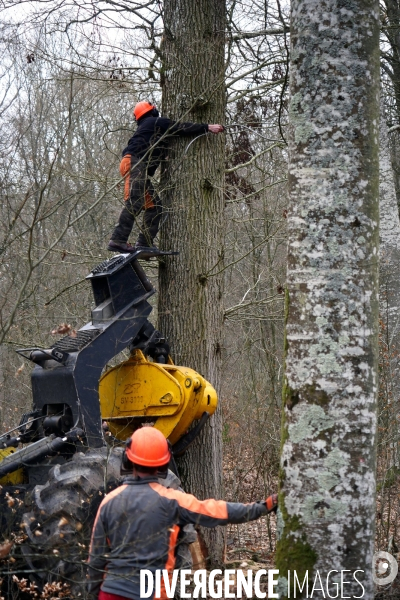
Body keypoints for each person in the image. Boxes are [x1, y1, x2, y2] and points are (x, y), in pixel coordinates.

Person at [88, 427, 278, 600]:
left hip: (111, 593)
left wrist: (92, 593)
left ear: (127, 459)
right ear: (164, 463)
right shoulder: (173, 501)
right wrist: (264, 506)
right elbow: (220, 511)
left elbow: (96, 559)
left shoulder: (108, 502)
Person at [108, 101, 224, 253]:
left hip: (135, 165)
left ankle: (145, 243)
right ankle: (118, 240)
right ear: (152, 112)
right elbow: (180, 127)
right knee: (135, 202)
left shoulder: (149, 129)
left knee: (155, 207)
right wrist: (206, 127)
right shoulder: (156, 122)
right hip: (134, 164)